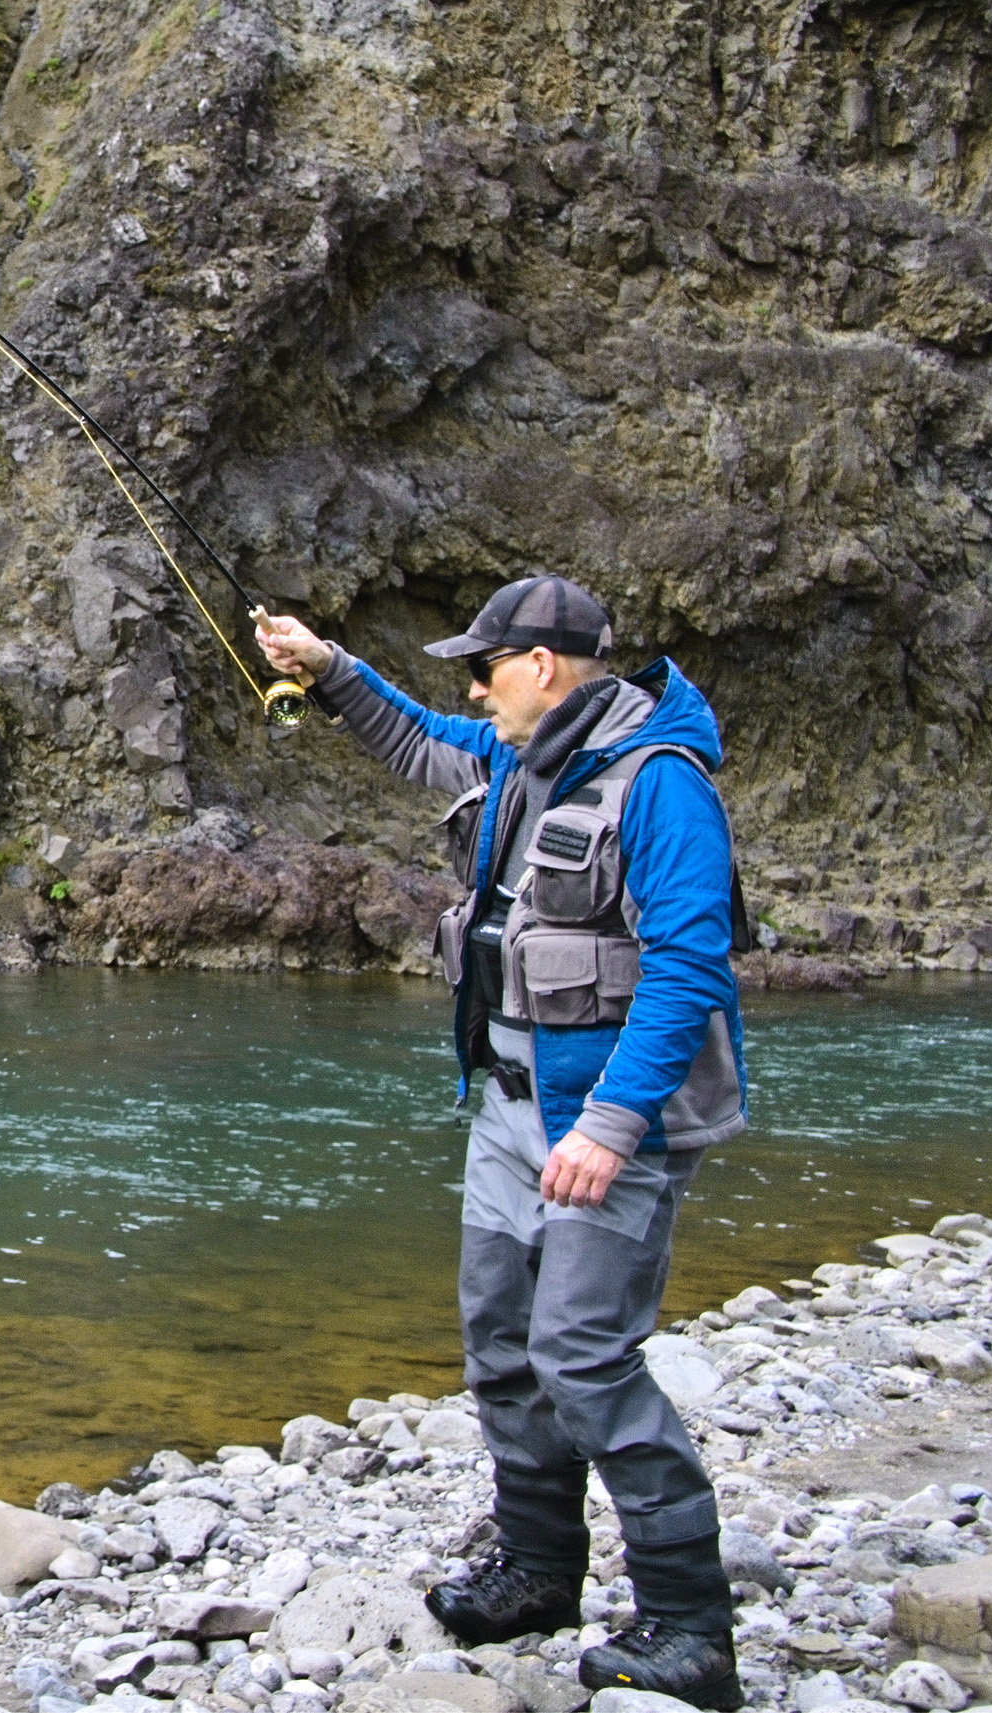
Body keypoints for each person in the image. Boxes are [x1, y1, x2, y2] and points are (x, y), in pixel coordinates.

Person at [256, 576, 749, 1712]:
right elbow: (417, 738)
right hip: (508, 1108)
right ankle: (537, 1569)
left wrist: (614, 1129)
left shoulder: (661, 786)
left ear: (543, 664)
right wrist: (327, 669)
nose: (472, 687)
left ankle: (690, 1625)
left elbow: (689, 970)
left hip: (605, 1128)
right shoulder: (515, 757)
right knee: (500, 1345)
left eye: (485, 665)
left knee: (582, 1356)